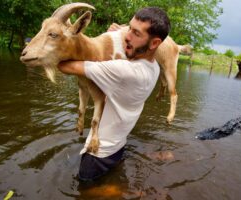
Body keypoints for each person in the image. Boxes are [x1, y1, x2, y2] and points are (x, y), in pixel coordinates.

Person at [58, 7, 171, 181]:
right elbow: (133, 52)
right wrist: (120, 33)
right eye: (129, 29)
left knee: (86, 191)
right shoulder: (154, 68)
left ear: (154, 43)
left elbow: (64, 66)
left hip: (96, 157)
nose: (126, 36)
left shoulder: (123, 71)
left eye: (135, 33)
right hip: (118, 148)